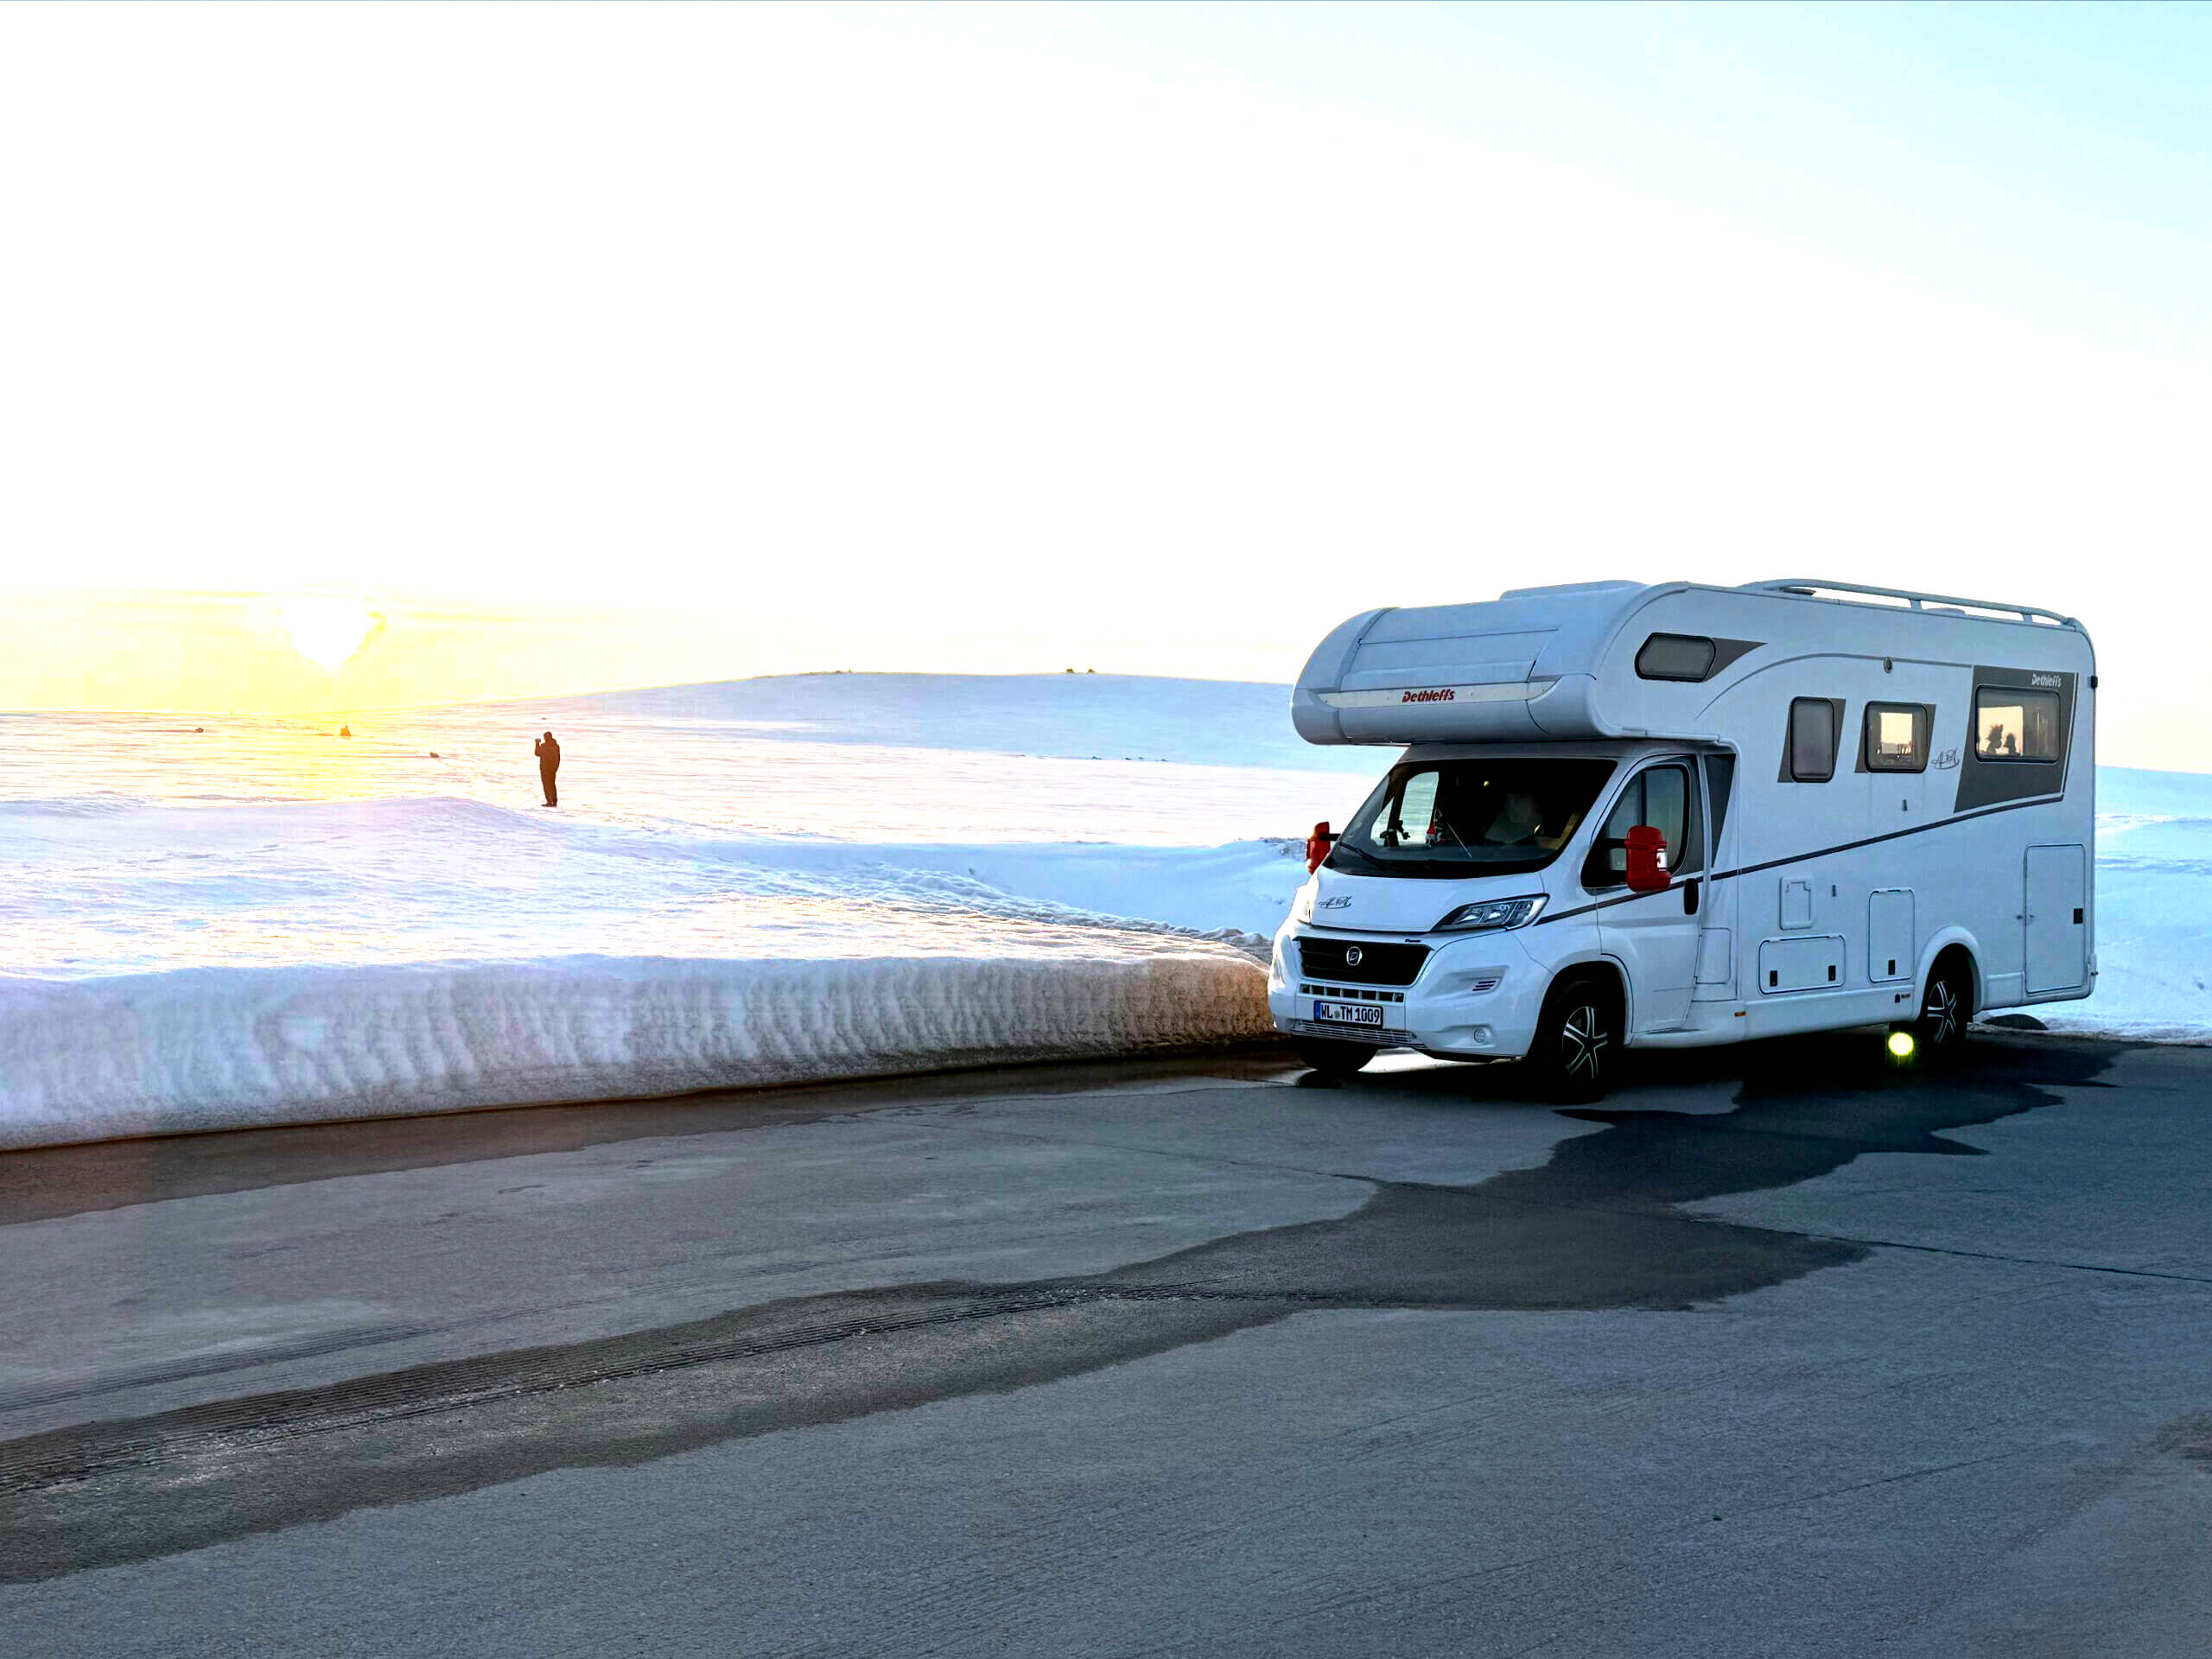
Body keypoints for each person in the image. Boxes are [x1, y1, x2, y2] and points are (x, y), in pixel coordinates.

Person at [534, 730, 561, 806]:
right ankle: (554, 801)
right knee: (552, 785)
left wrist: (537, 744)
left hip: (545, 769)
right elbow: (558, 758)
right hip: (553, 769)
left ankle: (549, 801)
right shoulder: (556, 746)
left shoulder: (545, 746)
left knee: (547, 785)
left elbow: (537, 753)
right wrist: (556, 767)